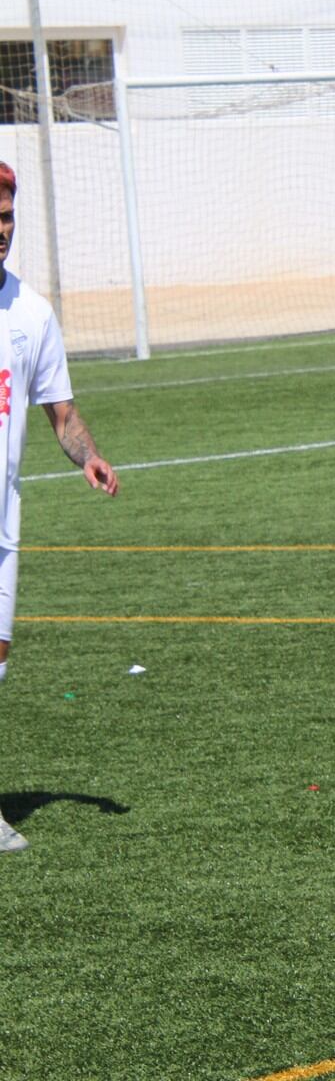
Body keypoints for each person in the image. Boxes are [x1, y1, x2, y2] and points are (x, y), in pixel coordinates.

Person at [0, 161, 120, 853]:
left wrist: (89, 456)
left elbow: (61, 413)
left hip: (3, 524)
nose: (2, 228)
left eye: (9, 216)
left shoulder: (32, 312)